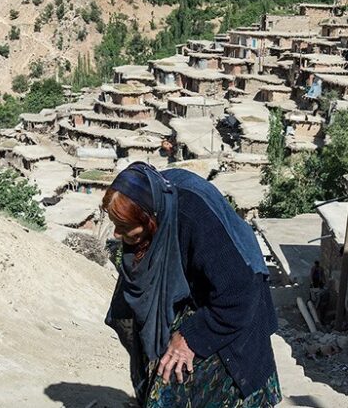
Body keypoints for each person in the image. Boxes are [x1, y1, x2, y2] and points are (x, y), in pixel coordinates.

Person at [102, 161, 282, 407]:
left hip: (233, 305)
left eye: (123, 227)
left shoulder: (195, 219)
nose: (115, 234)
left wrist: (190, 338)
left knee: (173, 379)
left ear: (149, 220)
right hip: (197, 292)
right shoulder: (149, 199)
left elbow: (239, 293)